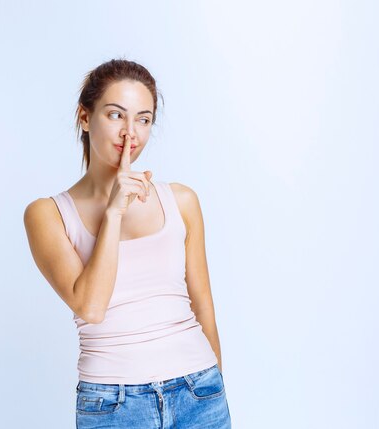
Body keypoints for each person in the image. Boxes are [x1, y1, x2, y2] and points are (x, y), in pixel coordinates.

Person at [23, 58, 232, 428]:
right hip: (113, 403)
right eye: (116, 115)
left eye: (144, 119)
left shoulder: (181, 201)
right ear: (85, 118)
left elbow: (204, 306)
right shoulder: (48, 215)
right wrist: (114, 213)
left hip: (198, 391)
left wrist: (215, 385)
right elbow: (91, 307)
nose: (130, 133)